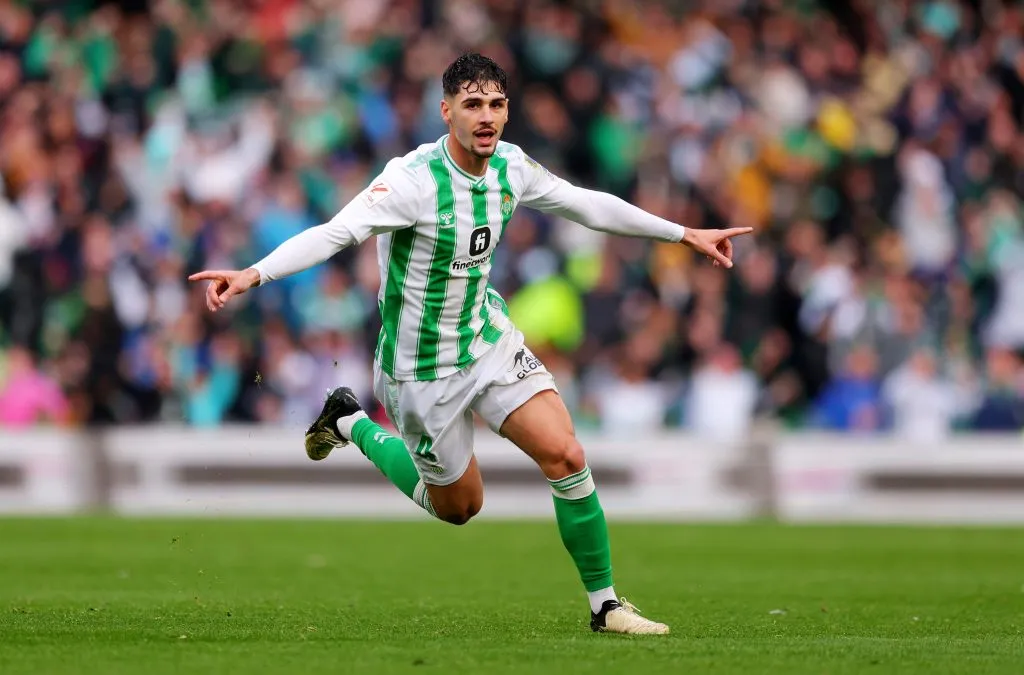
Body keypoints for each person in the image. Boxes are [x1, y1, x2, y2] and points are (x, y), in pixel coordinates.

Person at [189, 53, 752, 635]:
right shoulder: (412, 182)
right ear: (446, 111)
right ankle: (352, 420)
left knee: (567, 455)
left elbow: (585, 203)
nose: (486, 117)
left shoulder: (511, 166)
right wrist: (254, 273)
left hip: (486, 341)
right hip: (420, 371)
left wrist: (682, 232)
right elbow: (336, 232)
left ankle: (605, 605)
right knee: (458, 508)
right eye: (472, 105)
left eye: (496, 104)